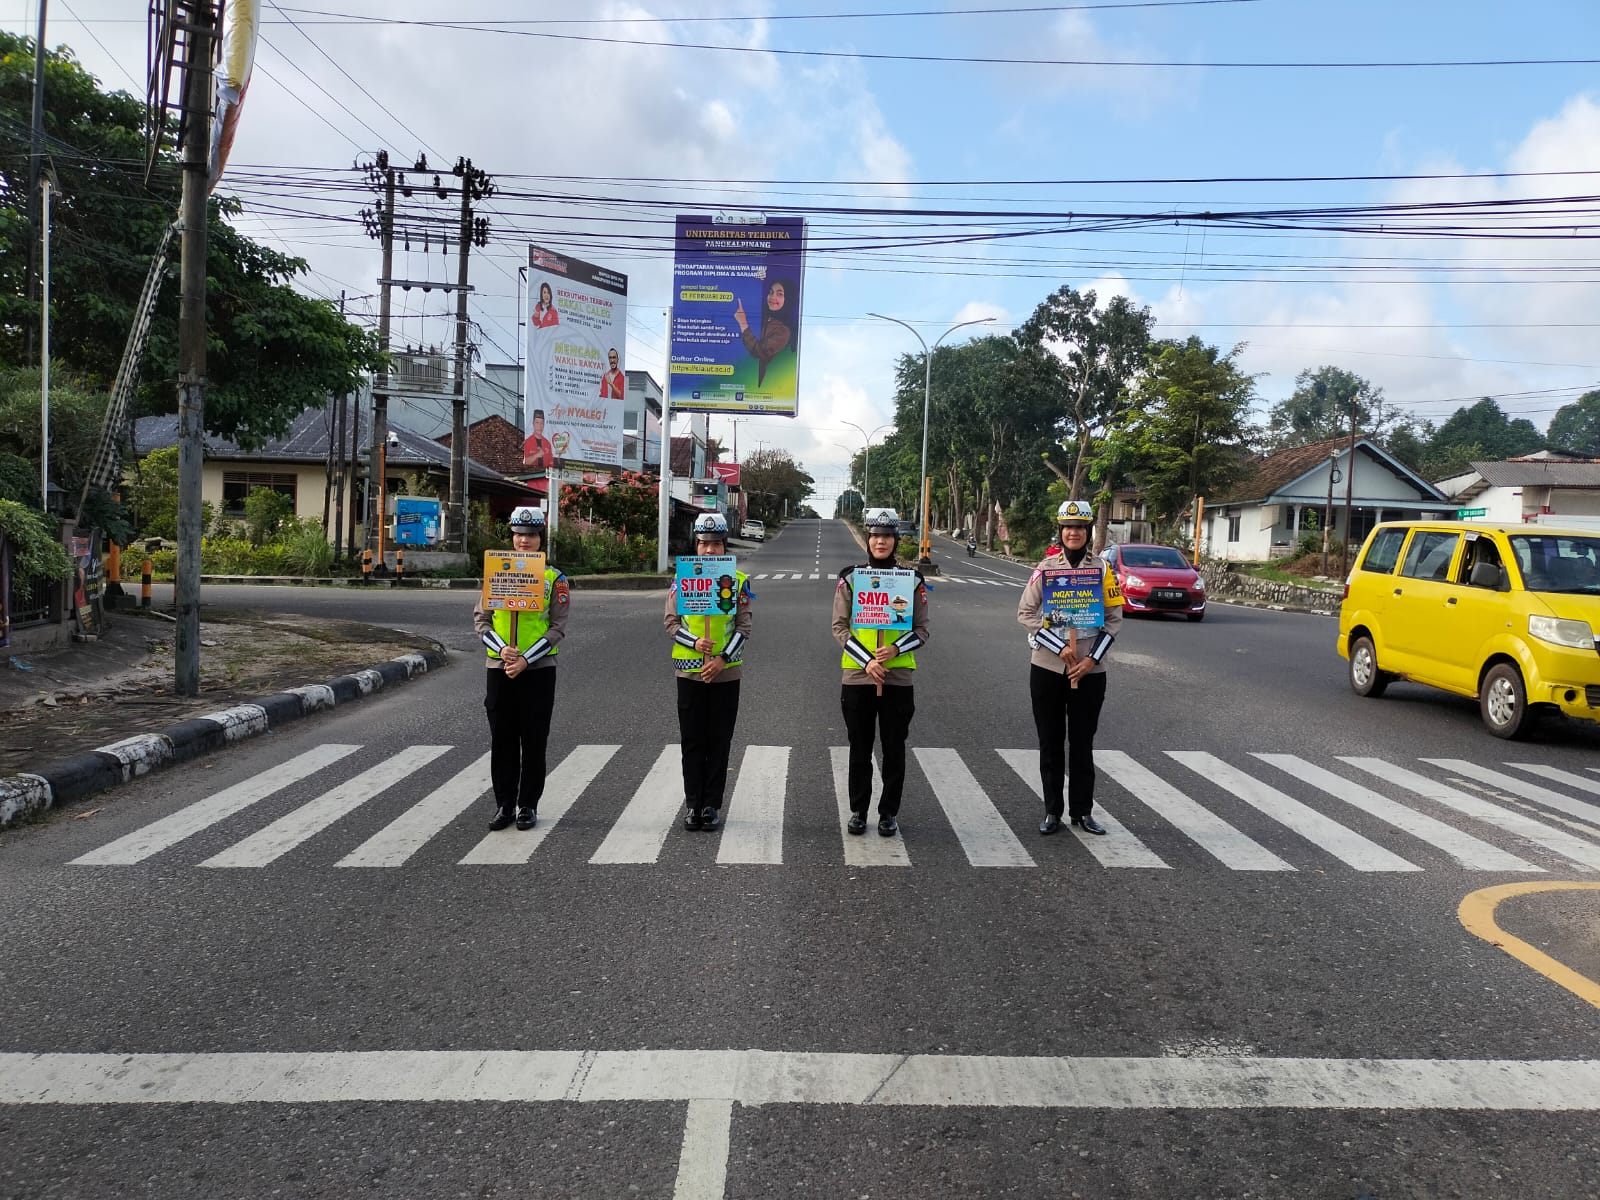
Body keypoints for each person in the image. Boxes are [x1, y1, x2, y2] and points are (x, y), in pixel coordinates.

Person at [1016, 499, 1123, 837]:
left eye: (1079, 527)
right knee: (1050, 742)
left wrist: (1091, 660)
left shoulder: (1104, 571)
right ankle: (1052, 812)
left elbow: (1114, 620)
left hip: (1090, 672)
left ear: (1088, 532)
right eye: (1067, 527)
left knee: (1082, 743)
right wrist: (1059, 647)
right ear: (1060, 532)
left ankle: (1083, 811)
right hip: (1048, 668)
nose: (1073, 533)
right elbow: (1026, 614)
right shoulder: (1045, 569)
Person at [833, 507, 930, 837]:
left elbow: (922, 630)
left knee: (894, 748)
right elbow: (840, 627)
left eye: (887, 536)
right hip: (859, 676)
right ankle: (859, 810)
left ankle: (889, 812)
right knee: (859, 747)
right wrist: (868, 661)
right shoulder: (850, 578)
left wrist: (894, 651)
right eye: (875, 536)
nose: (881, 542)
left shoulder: (913, 580)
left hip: (897, 676)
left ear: (895, 541)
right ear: (867, 539)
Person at [473, 505, 570, 831]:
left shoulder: (554, 579)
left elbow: (558, 627)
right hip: (499, 668)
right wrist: (503, 652)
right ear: (511, 537)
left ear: (540, 537)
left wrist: (526, 659)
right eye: (518, 534)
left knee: (533, 739)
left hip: (538, 671)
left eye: (530, 535)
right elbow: (481, 620)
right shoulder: (496, 571)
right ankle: (504, 805)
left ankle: (528, 804)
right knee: (502, 739)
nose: (524, 541)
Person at [664, 511, 754, 831]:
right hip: (689, 671)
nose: (710, 550)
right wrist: (696, 642)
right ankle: (693, 805)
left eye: (716, 544)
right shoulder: (682, 579)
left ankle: (712, 805)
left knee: (719, 740)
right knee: (692, 740)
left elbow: (744, 628)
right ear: (696, 544)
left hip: (725, 673)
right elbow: (671, 623)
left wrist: (720, 660)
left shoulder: (739, 582)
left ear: (725, 546)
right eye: (704, 544)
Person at [733, 277, 795, 386]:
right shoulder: (764, 316)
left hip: (760, 388)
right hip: (740, 377)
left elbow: (759, 352)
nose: (772, 297)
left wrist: (743, 323)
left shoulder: (784, 331)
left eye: (779, 294)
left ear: (788, 298)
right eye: (770, 292)